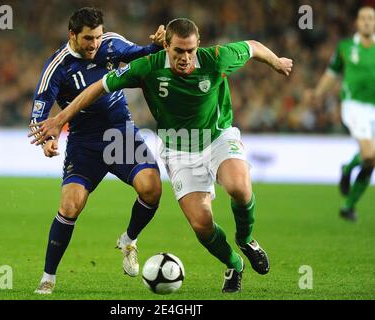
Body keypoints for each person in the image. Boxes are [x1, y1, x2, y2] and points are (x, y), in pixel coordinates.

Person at [29, 18, 293, 293]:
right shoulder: (145, 68)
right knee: (202, 225)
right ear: (166, 47)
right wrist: (57, 124)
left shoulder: (215, 58)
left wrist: (276, 62)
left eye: (190, 50)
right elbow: (97, 88)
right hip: (168, 147)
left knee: (235, 187)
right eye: (178, 51)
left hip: (211, 137)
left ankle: (245, 239)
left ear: (198, 45)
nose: (185, 57)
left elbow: (252, 46)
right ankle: (234, 263)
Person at [30, 7, 166, 294]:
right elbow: (39, 109)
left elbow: (143, 54)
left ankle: (129, 240)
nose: (95, 44)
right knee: (69, 206)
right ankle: (48, 277)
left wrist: (156, 43)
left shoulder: (111, 43)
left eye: (98, 37)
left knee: (152, 189)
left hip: (121, 133)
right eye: (88, 38)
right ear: (72, 35)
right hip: (85, 143)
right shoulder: (57, 66)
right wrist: (46, 140)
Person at [312, 7, 375, 221]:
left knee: (371, 160)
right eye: (363, 18)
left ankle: (348, 205)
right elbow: (332, 73)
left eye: (371, 19)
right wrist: (318, 93)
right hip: (355, 106)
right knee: (369, 155)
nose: (367, 22)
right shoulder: (345, 47)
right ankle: (349, 169)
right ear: (357, 23)